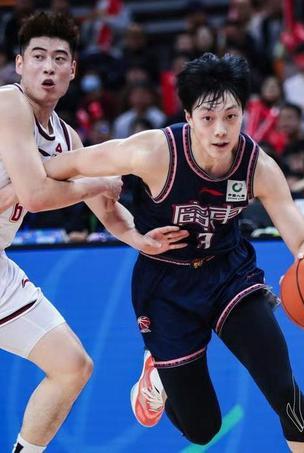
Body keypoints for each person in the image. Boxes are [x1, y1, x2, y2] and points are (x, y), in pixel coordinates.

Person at [43, 52, 304, 452]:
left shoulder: (257, 166)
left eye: (231, 116)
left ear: (244, 114)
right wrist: (124, 228)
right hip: (166, 285)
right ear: (189, 116)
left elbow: (293, 225)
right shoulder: (154, 152)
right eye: (208, 118)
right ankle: (157, 373)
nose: (220, 129)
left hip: (228, 274)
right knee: (202, 429)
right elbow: (64, 166)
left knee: (284, 391)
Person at [0, 12, 179, 453]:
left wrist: (142, 239)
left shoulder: (67, 139)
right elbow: (36, 195)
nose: (48, 67)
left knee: (72, 366)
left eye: (59, 58)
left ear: (73, 70)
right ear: (19, 64)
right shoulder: (9, 103)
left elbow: (109, 212)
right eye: (38, 56)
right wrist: (95, 182)